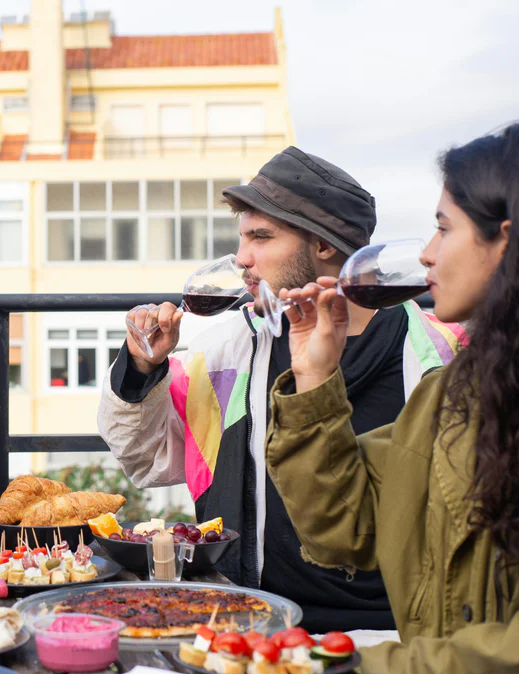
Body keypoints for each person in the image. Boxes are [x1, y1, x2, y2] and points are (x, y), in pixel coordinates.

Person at [98, 147, 467, 632]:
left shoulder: (443, 354)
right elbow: (147, 459)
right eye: (242, 237)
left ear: (325, 246)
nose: (242, 258)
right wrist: (142, 368)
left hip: (401, 632)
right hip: (250, 622)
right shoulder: (228, 351)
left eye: (261, 237)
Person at [264, 123, 519, 674]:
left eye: (442, 229)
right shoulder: (457, 393)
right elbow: (346, 525)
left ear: (504, 241)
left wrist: (351, 667)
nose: (427, 256)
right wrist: (313, 378)